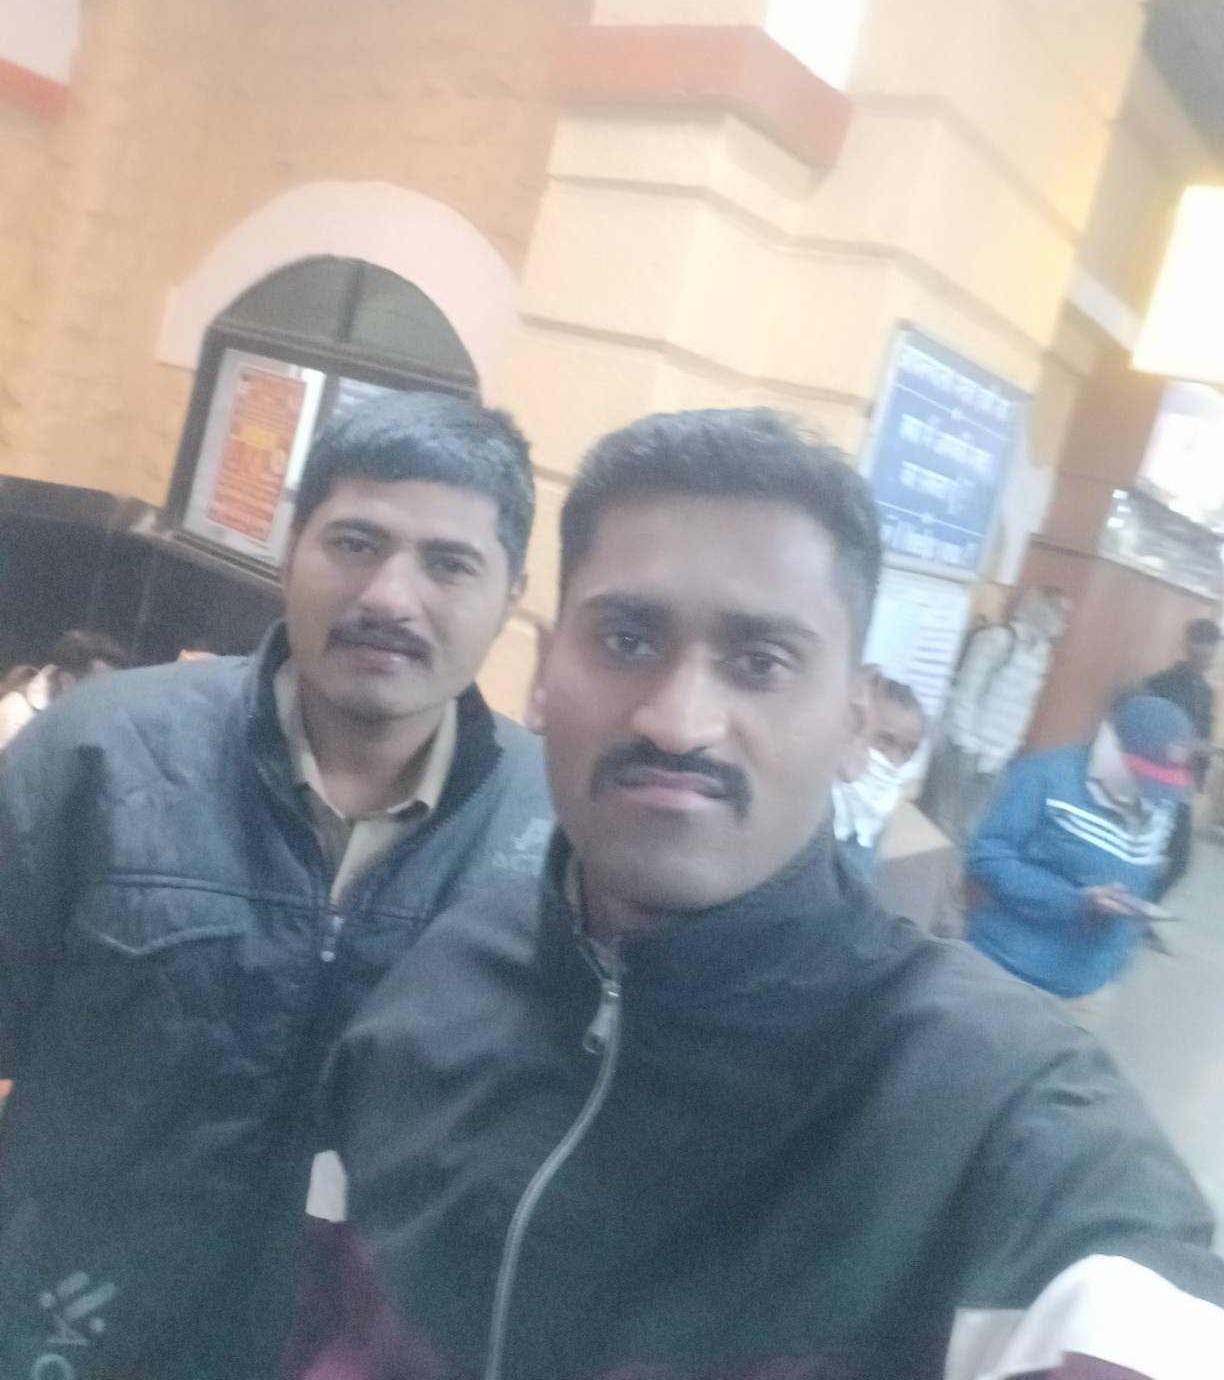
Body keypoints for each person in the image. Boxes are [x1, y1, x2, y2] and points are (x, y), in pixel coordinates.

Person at [314, 409, 1223, 1380]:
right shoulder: (438, 989)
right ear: (542, 676)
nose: (678, 723)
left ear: (855, 720)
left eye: (760, 663)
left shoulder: (990, 1113)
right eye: (627, 640)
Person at [0, 392, 554, 1380]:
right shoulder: (99, 754)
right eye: (355, 543)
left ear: (510, 594)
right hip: (64, 1336)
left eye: (449, 564)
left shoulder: (555, 839)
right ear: (291, 550)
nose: (389, 597)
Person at [965, 692, 1194, 1028]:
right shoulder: (1044, 778)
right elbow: (986, 857)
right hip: (1008, 972)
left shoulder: (1162, 804)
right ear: (1110, 743)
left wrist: (1118, 957)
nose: (1151, 791)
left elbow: (1142, 877)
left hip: (1090, 991)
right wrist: (1075, 901)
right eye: (1142, 776)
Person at [920, 586, 1069, 846]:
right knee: (938, 824)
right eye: (1057, 612)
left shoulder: (1043, 654)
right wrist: (966, 743)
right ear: (1039, 608)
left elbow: (1026, 705)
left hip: (998, 753)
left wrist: (1009, 747)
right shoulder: (997, 640)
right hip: (965, 747)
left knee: (967, 830)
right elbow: (966, 692)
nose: (1061, 622)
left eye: (1064, 616)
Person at [1144, 617, 1220, 901]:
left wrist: (1203, 756)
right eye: (1202, 653)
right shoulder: (1162, 684)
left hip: (1181, 786)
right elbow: (1146, 732)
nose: (1206, 661)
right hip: (1154, 781)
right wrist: (1185, 747)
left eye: (1211, 655)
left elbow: (1204, 733)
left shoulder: (1206, 692)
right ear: (1188, 646)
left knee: (1179, 861)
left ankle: (1141, 908)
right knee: (1143, 851)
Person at [832, 675, 926, 876]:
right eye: (883, 742)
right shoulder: (804, 812)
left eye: (909, 751)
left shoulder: (874, 819)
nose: (895, 763)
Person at [0, 627, 128, 748]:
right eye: (98, 689)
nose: (107, 698)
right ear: (66, 682)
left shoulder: (97, 715)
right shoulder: (17, 716)